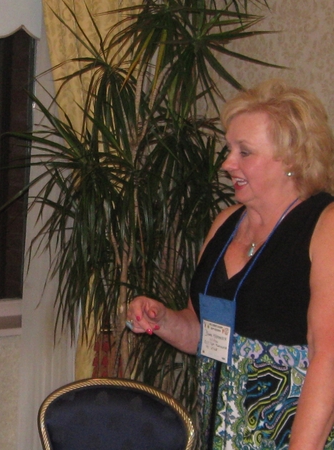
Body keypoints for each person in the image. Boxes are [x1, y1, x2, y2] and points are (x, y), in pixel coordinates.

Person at [126, 79, 334, 449]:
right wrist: (164, 319)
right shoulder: (226, 222)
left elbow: (328, 356)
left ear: (291, 159)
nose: (227, 163)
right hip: (219, 435)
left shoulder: (325, 226)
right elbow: (204, 332)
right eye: (229, 149)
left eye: (245, 152)